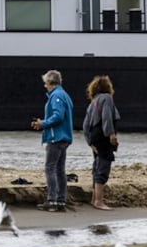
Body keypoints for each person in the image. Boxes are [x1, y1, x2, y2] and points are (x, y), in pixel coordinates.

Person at [31, 70, 74, 212]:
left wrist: (42, 123)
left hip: (56, 138)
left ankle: (52, 200)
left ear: (50, 83)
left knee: (50, 168)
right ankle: (61, 200)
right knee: (60, 169)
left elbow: (58, 116)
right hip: (65, 138)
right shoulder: (65, 95)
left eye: (45, 83)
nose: (45, 86)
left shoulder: (56, 96)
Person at [82, 75, 120, 210]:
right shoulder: (107, 98)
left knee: (97, 166)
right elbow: (107, 118)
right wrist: (111, 135)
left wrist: (89, 142)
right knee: (104, 165)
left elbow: (85, 125)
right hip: (103, 138)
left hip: (94, 138)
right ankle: (99, 201)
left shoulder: (93, 102)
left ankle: (94, 199)